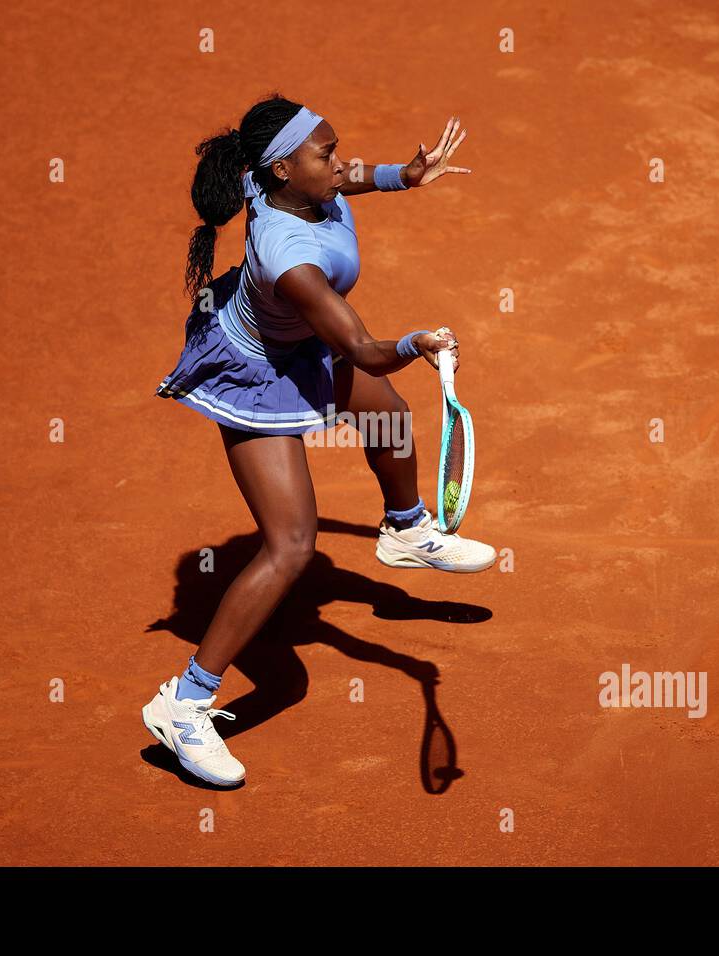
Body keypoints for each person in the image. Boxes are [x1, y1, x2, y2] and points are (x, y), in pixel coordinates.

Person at [143, 93, 496, 787]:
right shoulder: (290, 258)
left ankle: (405, 530)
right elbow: (363, 350)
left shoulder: (295, 180)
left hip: (303, 348)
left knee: (387, 415)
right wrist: (417, 343)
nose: (341, 163)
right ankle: (182, 705)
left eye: (335, 148)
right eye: (326, 154)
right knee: (292, 546)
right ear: (279, 171)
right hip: (256, 375)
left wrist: (403, 175)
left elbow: (352, 174)